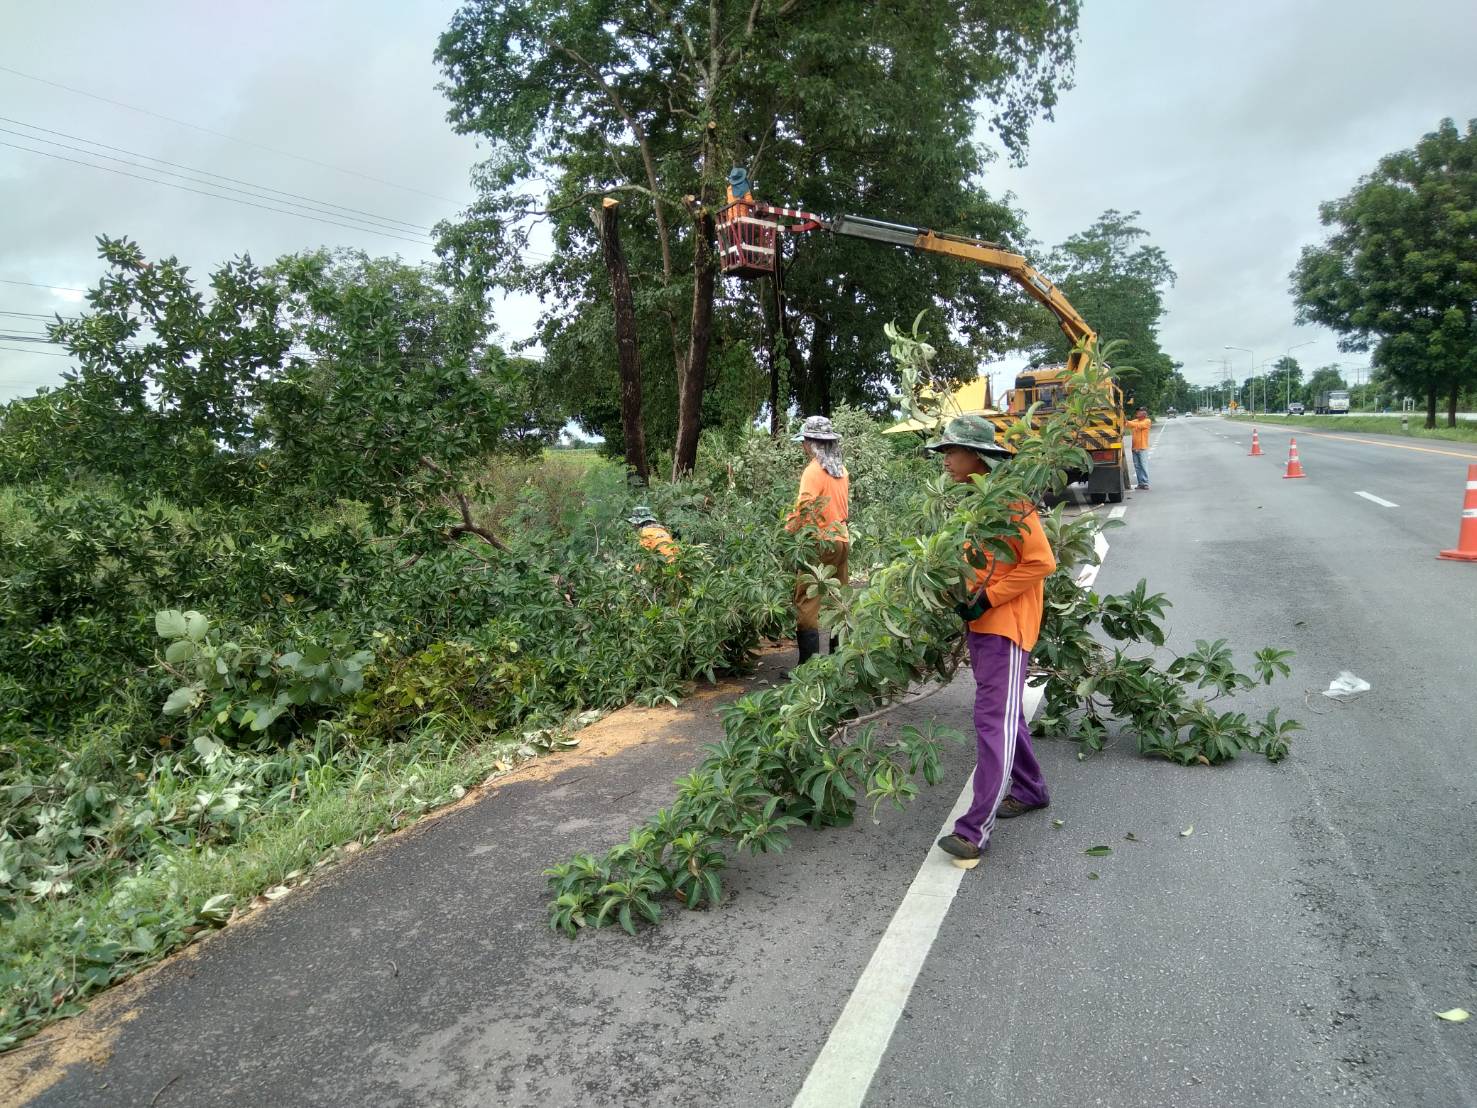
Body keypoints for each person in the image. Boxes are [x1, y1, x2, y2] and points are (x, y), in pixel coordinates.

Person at [926, 415, 1056, 870]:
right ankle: (1031, 789)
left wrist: (988, 598)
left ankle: (973, 831)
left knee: (992, 721)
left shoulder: (1011, 503)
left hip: (1005, 627)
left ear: (977, 456)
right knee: (1003, 715)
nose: (945, 460)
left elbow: (1041, 562)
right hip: (984, 626)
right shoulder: (976, 503)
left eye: (951, 451)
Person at [785, 415, 850, 666]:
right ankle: (838, 663)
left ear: (811, 443)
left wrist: (787, 533)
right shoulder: (841, 471)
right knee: (836, 599)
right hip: (841, 539)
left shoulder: (813, 471)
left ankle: (808, 668)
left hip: (818, 542)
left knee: (807, 600)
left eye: (804, 441)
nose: (803, 446)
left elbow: (805, 509)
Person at [1125, 407, 1153, 490]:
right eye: (1137, 412)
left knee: (1143, 466)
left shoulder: (1147, 421)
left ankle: (1145, 483)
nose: (1137, 413)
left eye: (1139, 412)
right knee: (1137, 467)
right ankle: (1140, 483)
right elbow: (1127, 424)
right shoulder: (1135, 421)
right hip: (1134, 448)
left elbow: (1138, 425)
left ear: (1144, 414)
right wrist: (1124, 420)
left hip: (1142, 448)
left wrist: (1127, 422)